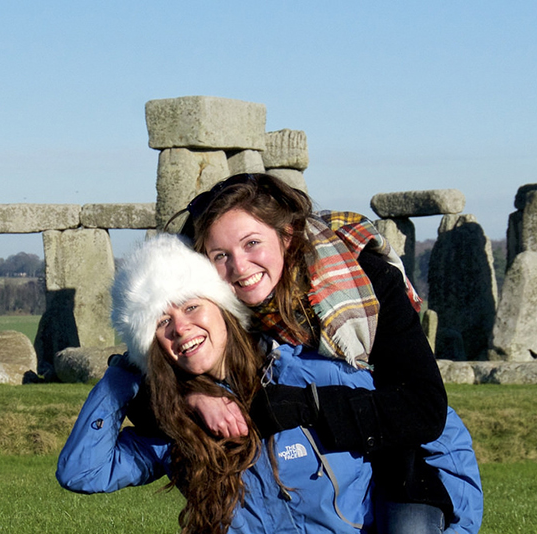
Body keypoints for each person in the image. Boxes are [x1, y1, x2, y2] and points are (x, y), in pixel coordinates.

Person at [179, 173, 480, 533]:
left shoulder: (366, 280)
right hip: (300, 484)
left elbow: (424, 408)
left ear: (287, 236)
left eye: (252, 243)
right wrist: (195, 394)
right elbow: (153, 384)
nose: (240, 267)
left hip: (400, 462)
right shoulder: (211, 310)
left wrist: (307, 406)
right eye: (220, 255)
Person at [59, 236, 380, 533]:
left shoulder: (311, 373)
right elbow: (83, 473)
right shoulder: (176, 427)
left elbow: (417, 430)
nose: (181, 328)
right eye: (161, 321)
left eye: (191, 306)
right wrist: (125, 370)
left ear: (223, 308)